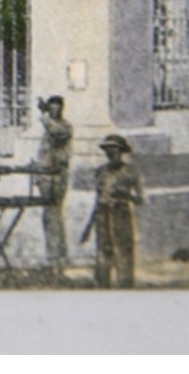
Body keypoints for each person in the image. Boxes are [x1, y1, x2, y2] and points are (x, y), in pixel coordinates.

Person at [82, 134, 143, 289]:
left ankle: (125, 284)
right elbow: (97, 200)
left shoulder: (130, 172)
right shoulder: (100, 172)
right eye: (108, 151)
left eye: (114, 150)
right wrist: (88, 228)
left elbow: (140, 199)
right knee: (103, 251)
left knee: (123, 250)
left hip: (121, 214)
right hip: (102, 215)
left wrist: (125, 195)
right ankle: (102, 285)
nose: (111, 154)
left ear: (121, 152)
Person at [36, 95, 73, 274]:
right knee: (50, 217)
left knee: (53, 217)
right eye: (51, 107)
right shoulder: (48, 128)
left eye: (56, 108)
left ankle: (56, 260)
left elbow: (57, 133)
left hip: (57, 177)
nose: (53, 111)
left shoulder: (65, 127)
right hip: (46, 177)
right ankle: (56, 258)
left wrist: (45, 117)